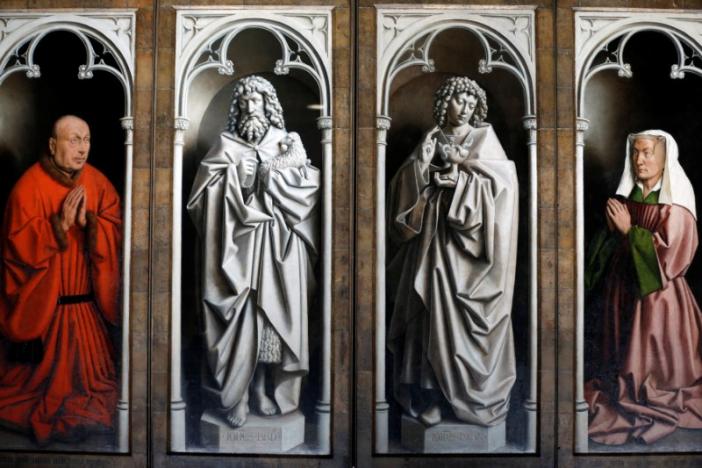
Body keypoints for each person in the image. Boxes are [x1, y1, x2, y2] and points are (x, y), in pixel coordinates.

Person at [187, 75, 320, 428]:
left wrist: (270, 176)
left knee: (269, 321)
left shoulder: (285, 143)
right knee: (241, 318)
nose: (250, 107)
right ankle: (238, 395)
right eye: (244, 101)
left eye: (256, 100)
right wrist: (236, 178)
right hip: (235, 251)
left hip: (276, 246)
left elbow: (308, 190)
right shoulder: (225, 146)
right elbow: (199, 201)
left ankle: (261, 389)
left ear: (268, 105)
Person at [387, 76, 518, 427]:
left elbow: (504, 190)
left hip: (467, 253)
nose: (466, 108)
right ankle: (432, 396)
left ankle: (461, 396)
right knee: (428, 313)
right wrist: (421, 167)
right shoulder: (431, 138)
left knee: (456, 320)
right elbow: (402, 189)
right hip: (432, 241)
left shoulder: (484, 140)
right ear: (445, 102)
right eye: (460, 100)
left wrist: (460, 180)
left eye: (472, 103)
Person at [0, 115, 121, 444]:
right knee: (32, 394)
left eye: (87, 140)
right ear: (53, 146)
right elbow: (14, 249)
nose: (83, 149)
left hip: (85, 312)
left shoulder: (98, 182)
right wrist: (60, 226)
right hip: (45, 314)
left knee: (98, 388)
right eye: (74, 140)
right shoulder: (28, 187)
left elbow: (118, 231)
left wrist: (91, 224)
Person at [585, 130, 702, 445]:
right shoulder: (630, 197)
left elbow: (671, 257)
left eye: (648, 152)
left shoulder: (676, 204)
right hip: (622, 288)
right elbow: (610, 243)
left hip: (657, 297)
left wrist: (628, 231)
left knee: (654, 364)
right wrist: (611, 229)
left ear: (664, 157)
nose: (639, 160)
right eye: (635, 152)